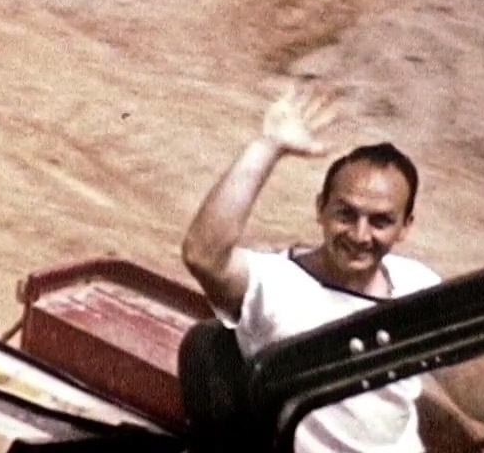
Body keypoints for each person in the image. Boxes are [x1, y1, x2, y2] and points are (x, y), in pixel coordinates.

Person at [181, 81, 440, 453]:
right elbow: (204, 255)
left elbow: (476, 390)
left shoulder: (419, 285)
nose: (359, 235)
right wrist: (267, 147)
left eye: (380, 221)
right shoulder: (277, 285)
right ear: (320, 208)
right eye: (345, 214)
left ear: (405, 227)